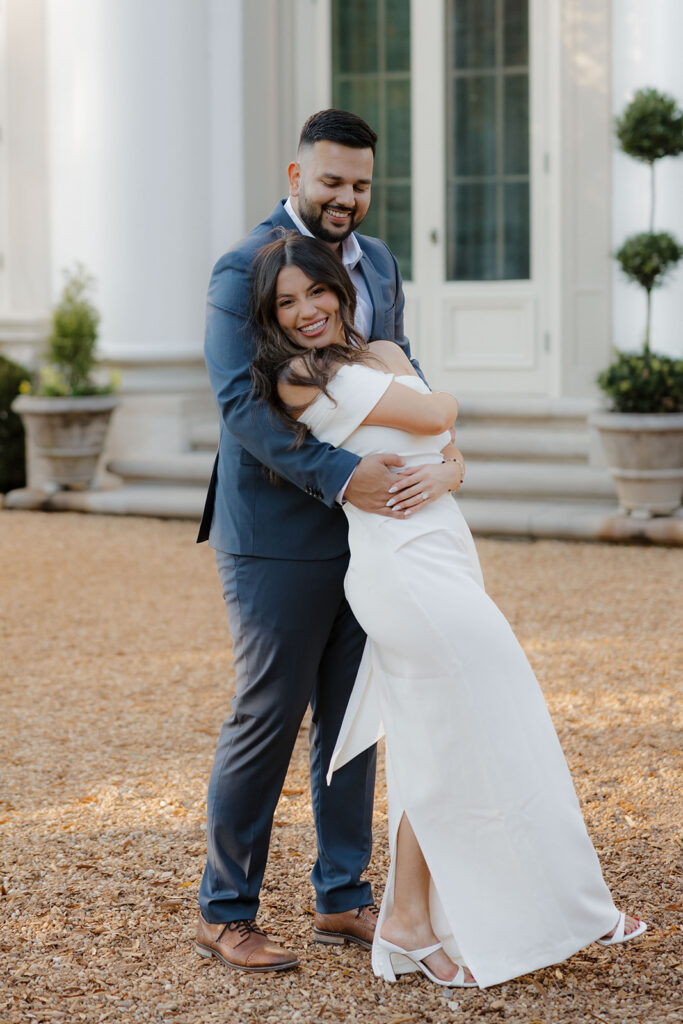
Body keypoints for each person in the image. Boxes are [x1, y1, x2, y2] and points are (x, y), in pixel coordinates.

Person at [248, 231, 647, 990]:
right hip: (400, 574)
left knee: (441, 744)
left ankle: (404, 923)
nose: (305, 311)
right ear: (272, 317)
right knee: (498, 718)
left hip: (442, 555)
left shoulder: (376, 358)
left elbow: (445, 445)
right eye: (286, 302)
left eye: (316, 292)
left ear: (339, 287)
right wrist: (439, 414)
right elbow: (435, 416)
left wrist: (450, 467)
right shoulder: (300, 377)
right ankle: (574, 905)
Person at [195, 109, 464, 973]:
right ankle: (225, 911)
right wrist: (342, 476)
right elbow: (241, 407)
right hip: (275, 532)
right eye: (330, 181)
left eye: (359, 185)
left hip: (375, 536)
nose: (345, 198)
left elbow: (399, 370)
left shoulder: (379, 262)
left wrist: (445, 456)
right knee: (267, 717)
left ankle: (342, 895)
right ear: (294, 174)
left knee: (355, 717)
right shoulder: (243, 265)